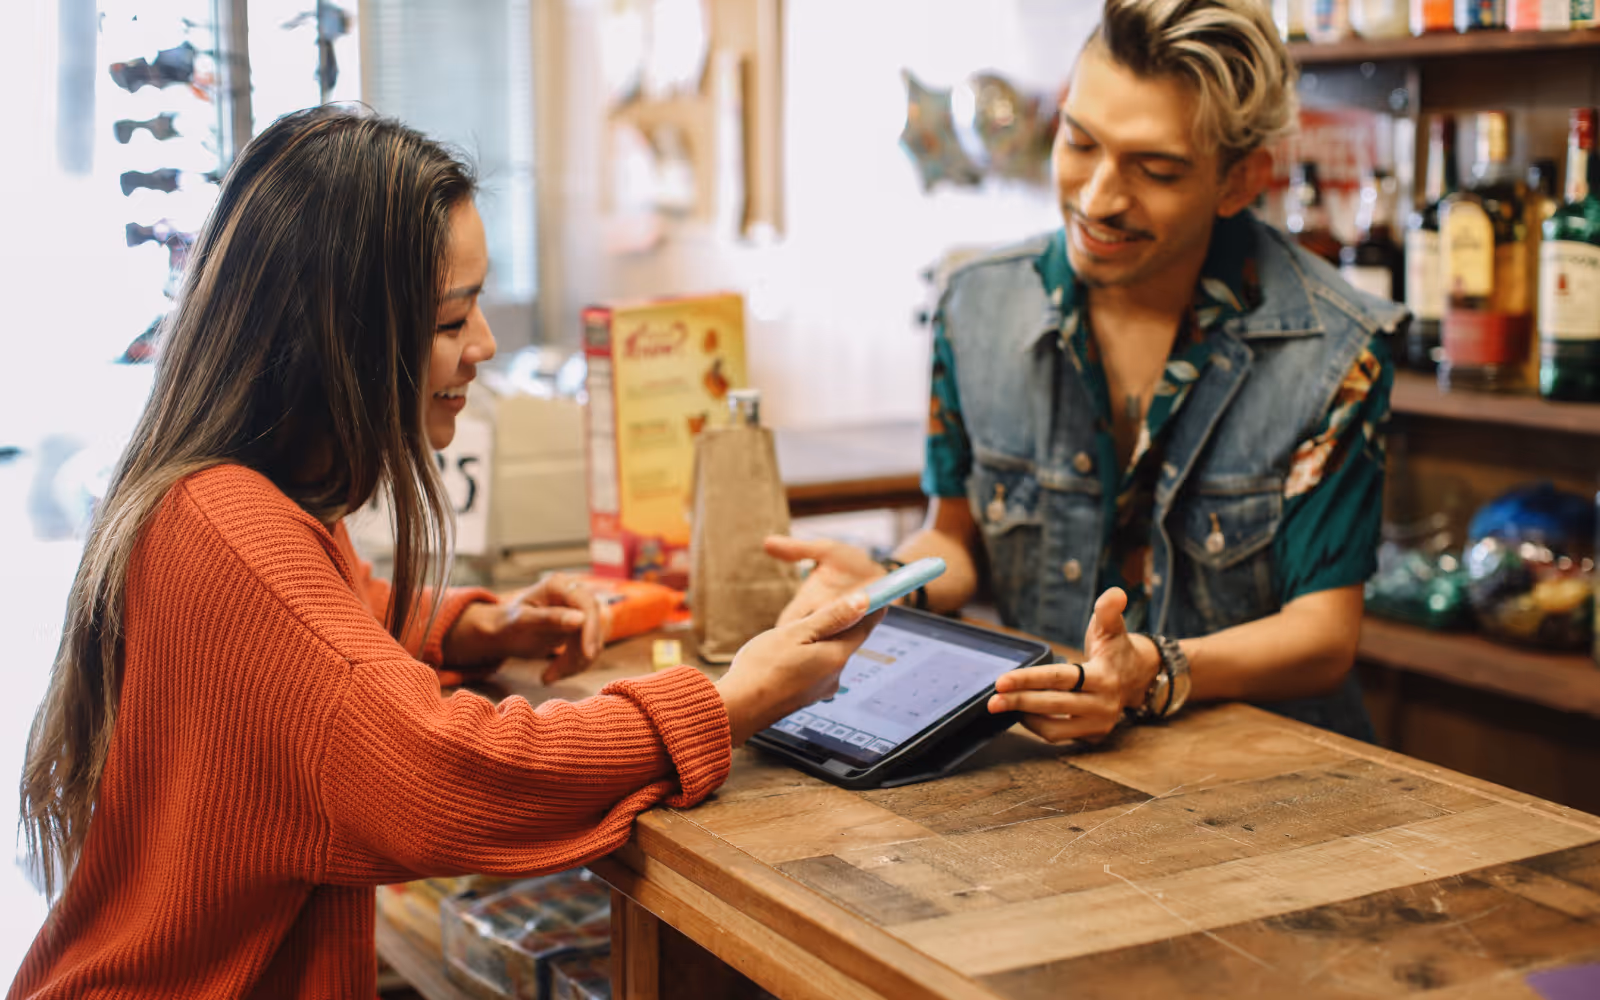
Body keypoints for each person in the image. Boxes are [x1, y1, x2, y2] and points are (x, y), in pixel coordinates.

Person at [11, 105, 880, 1000]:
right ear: (334, 341)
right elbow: (443, 773)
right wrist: (732, 698)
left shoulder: (227, 499)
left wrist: (477, 625)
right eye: (450, 321)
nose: (485, 347)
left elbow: (330, 621)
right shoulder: (236, 533)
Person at [770, 0, 1404, 745]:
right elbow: (955, 541)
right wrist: (881, 583)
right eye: (1079, 141)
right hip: (1030, 766)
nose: (1099, 198)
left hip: (1269, 780)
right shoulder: (976, 307)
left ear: (1238, 183)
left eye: (1157, 170)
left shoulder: (1335, 347)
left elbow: (1324, 635)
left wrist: (1155, 670)